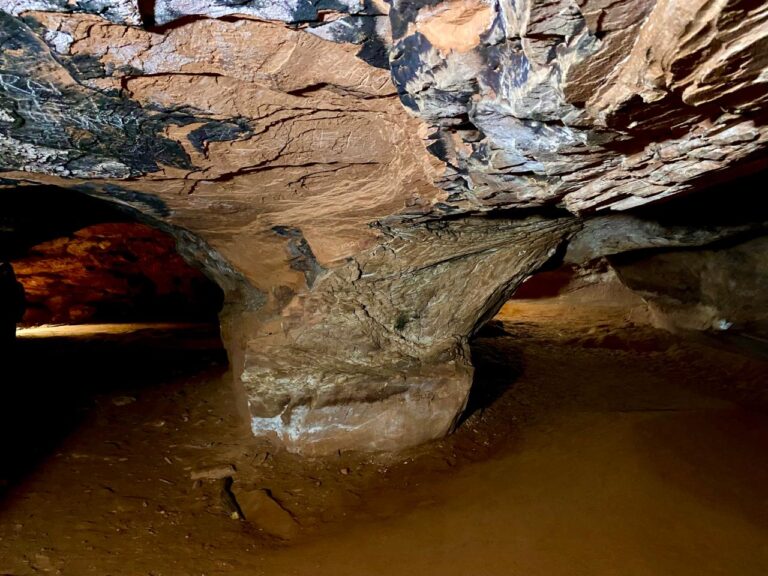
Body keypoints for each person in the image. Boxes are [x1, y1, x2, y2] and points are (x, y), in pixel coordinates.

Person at [0, 261, 26, 348]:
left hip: (10, 314)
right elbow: (21, 300)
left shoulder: (17, 286)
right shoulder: (17, 285)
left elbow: (21, 300)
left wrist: (19, 313)